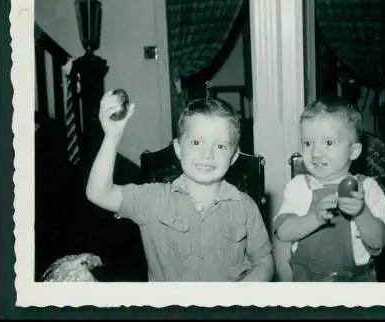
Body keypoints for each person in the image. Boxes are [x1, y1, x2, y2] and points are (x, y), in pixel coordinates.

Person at [86, 91, 274, 282]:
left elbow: (264, 262)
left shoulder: (245, 207)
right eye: (196, 142)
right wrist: (112, 136)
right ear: (178, 149)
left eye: (220, 146)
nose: (207, 154)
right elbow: (99, 193)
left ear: (234, 157)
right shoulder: (154, 200)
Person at [273, 95, 385, 282]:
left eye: (328, 143)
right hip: (307, 282)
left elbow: (378, 242)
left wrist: (361, 212)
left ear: (354, 151)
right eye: (307, 143)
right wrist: (316, 218)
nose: (316, 152)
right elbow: (283, 232)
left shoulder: (368, 188)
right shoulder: (298, 187)